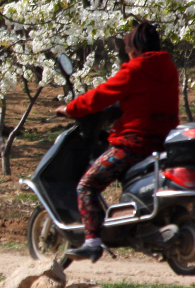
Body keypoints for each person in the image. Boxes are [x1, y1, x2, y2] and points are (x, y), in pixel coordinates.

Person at [55, 22, 180, 262]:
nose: (126, 53)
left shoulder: (134, 70)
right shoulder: (170, 68)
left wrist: (70, 108)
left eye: (127, 47)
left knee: (87, 186)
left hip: (134, 144)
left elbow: (99, 96)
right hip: (164, 144)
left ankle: (92, 241)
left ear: (134, 48)